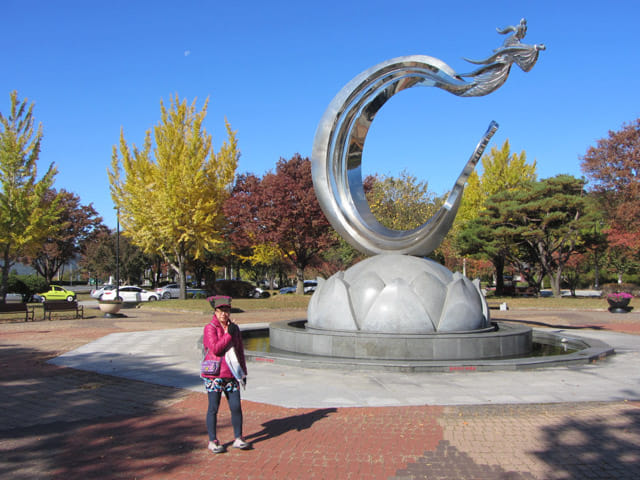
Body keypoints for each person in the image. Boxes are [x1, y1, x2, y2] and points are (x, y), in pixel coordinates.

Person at [202, 295, 249, 453]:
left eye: (227, 310)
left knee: (236, 406)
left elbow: (239, 350)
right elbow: (216, 348)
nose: (224, 314)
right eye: (221, 310)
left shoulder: (234, 329)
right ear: (215, 312)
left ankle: (238, 438)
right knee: (213, 408)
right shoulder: (210, 328)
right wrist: (228, 334)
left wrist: (243, 372)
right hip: (214, 374)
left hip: (231, 374)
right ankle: (213, 440)